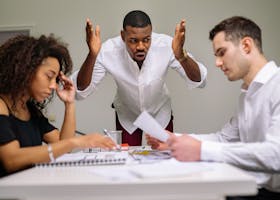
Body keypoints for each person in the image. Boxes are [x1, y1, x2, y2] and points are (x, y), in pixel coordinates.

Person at [146, 16, 280, 200]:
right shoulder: (248, 95)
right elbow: (224, 139)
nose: (217, 63)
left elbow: (276, 155)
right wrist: (172, 139)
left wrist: (201, 150)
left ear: (246, 46)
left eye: (222, 52)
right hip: (254, 188)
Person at [70, 10, 207, 146]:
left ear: (151, 34)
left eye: (146, 40)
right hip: (127, 115)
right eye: (133, 41)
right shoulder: (107, 50)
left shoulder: (167, 45)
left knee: (164, 157)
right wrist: (92, 55)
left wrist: (181, 56)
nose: (140, 46)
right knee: (126, 158)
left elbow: (199, 80)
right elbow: (80, 89)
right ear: (123, 36)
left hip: (160, 113)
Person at [0, 35, 116, 177]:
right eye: (49, 77)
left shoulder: (30, 110)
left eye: (55, 80)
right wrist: (76, 142)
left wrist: (69, 103)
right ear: (26, 70)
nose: (54, 86)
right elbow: (12, 160)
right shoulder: (1, 105)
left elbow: (63, 147)